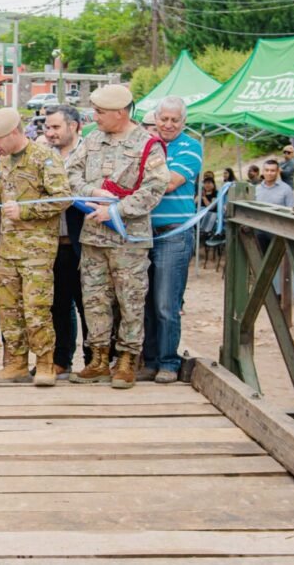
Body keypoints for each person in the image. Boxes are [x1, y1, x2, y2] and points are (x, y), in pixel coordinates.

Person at [67, 84, 170, 390]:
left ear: (120, 113)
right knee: (95, 299)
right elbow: (70, 175)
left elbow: (154, 188)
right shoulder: (91, 140)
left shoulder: (148, 144)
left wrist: (116, 211)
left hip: (129, 239)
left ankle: (126, 359)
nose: (94, 117)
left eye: (99, 112)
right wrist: (93, 193)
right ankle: (98, 358)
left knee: (131, 299)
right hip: (93, 238)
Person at [0, 108, 71, 387]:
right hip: (8, 249)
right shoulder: (4, 161)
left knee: (36, 308)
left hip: (36, 251)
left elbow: (63, 198)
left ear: (14, 132)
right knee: (9, 309)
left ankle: (44, 363)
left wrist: (26, 213)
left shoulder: (45, 157)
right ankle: (16, 363)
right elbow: (8, 194)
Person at [142, 96, 202, 385]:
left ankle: (168, 361)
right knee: (144, 301)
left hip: (173, 233)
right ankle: (150, 360)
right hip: (142, 233)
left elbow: (168, 183)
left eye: (174, 120)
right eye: (163, 119)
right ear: (155, 118)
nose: (168, 124)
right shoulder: (148, 145)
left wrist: (141, 181)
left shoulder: (191, 146)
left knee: (166, 303)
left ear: (183, 122)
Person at [43, 104, 91, 379]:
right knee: (58, 304)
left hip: (83, 240)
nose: (50, 133)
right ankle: (61, 358)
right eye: (47, 127)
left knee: (88, 303)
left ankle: (93, 358)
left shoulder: (88, 153)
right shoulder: (42, 156)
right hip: (52, 242)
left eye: (55, 127)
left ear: (73, 126)